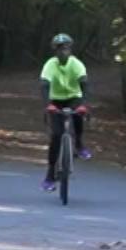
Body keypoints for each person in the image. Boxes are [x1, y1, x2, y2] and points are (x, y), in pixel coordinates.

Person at [40, 33, 89, 192]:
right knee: (56, 135)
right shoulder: (50, 64)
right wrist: (48, 104)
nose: (63, 52)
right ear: (55, 51)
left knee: (78, 116)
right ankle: (49, 175)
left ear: (70, 49)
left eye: (66, 48)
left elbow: (84, 84)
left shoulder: (76, 64)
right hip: (56, 100)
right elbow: (44, 85)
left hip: (74, 97)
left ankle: (79, 144)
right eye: (60, 49)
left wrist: (84, 105)